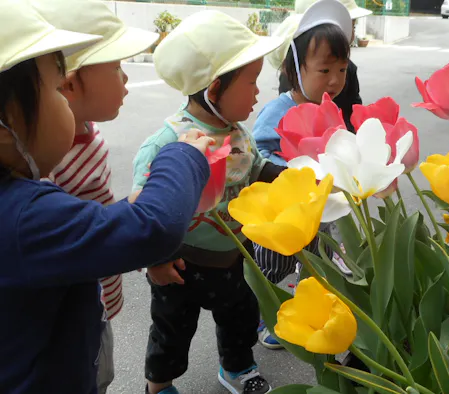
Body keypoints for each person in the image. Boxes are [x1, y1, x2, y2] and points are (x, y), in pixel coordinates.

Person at [0, 1, 214, 393]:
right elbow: (154, 229)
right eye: (53, 88)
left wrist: (119, 213)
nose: (65, 99)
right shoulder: (20, 217)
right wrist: (182, 155)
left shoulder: (20, 203)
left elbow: (83, 226)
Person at [131, 11, 285, 394]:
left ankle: (237, 367)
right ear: (214, 90)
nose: (256, 94)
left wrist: (294, 178)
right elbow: (142, 211)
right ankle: (159, 383)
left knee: (241, 316)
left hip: (233, 256)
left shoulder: (238, 133)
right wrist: (155, 261)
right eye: (250, 83)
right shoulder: (168, 143)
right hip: (180, 263)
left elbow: (257, 167)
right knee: (172, 328)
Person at [28, 1, 159, 392]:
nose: (126, 80)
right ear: (68, 83)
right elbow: (77, 230)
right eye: (117, 69)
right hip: (69, 311)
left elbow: (99, 210)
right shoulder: (46, 158)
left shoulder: (84, 132)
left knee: (101, 369)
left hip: (98, 296)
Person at [252, 0, 353, 350]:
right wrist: (289, 173)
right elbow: (257, 155)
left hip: (318, 211)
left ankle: (307, 311)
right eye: (324, 71)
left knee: (315, 261)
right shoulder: (278, 110)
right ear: (295, 68)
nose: (335, 80)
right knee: (273, 266)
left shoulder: (329, 109)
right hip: (285, 214)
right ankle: (264, 314)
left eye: (342, 69)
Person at [278, 0, 371, 132]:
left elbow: (353, 113)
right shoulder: (282, 109)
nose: (335, 80)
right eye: (324, 71)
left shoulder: (349, 70)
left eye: (353, 27)